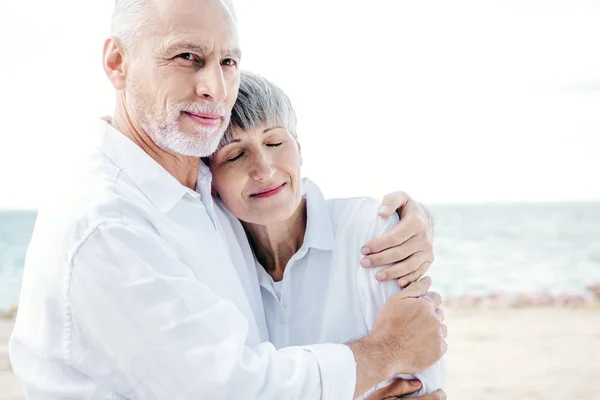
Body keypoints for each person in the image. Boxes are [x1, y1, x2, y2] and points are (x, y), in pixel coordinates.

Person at [9, 0, 446, 399]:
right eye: (187, 57)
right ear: (117, 62)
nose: (215, 87)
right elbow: (229, 389)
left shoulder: (199, 183)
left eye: (228, 61)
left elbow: (281, 202)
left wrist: (407, 220)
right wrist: (384, 351)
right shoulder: (107, 222)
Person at [207, 71, 446, 399]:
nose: (264, 168)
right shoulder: (215, 264)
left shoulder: (370, 231)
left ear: (299, 149)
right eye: (235, 155)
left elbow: (421, 382)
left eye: (275, 142)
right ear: (210, 182)